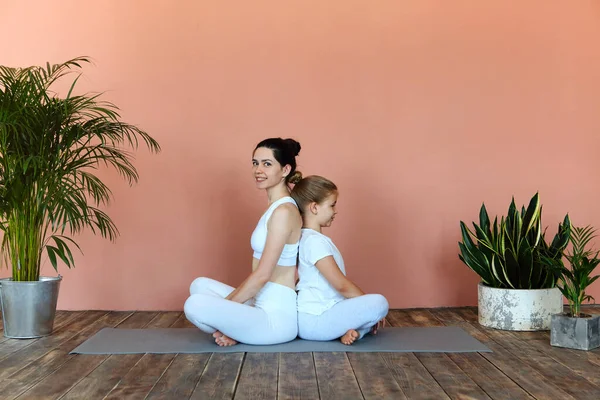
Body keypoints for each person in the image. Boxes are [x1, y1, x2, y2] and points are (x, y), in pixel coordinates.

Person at [184, 138, 303, 346]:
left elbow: (263, 275)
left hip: (275, 318)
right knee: (199, 285)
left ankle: (237, 329)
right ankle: (238, 327)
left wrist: (226, 311)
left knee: (194, 305)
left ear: (285, 170)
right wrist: (228, 313)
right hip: (257, 303)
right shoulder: (274, 208)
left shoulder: (284, 211)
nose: (258, 170)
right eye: (255, 163)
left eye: (267, 164)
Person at [291, 175, 389, 345]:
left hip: (321, 316)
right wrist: (366, 302)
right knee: (379, 302)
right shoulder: (314, 242)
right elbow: (341, 285)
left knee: (370, 313)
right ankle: (358, 328)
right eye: (332, 205)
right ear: (314, 207)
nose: (335, 211)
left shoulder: (307, 238)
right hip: (316, 320)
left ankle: (355, 332)